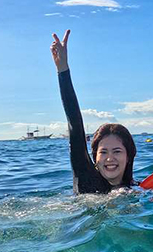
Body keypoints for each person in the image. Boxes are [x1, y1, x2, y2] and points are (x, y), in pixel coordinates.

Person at [50, 29, 137, 193]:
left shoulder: (138, 189)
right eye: (103, 152)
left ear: (129, 156)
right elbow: (75, 125)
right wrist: (62, 70)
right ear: (95, 157)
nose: (109, 158)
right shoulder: (85, 179)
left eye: (117, 151)